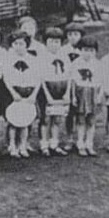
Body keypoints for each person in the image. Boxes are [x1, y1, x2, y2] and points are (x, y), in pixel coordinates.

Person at [2, 32, 40, 158]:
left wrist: (33, 95)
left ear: (27, 45)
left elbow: (38, 79)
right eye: (16, 44)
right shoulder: (8, 59)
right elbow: (6, 78)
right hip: (14, 92)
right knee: (13, 121)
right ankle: (12, 145)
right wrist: (13, 93)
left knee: (25, 121)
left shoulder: (33, 59)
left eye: (22, 44)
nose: (19, 46)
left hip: (28, 92)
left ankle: (23, 145)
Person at [38, 28, 71, 156]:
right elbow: (40, 78)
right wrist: (47, 95)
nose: (54, 45)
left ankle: (54, 143)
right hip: (47, 89)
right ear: (46, 42)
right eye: (51, 42)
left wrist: (67, 92)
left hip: (61, 88)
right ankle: (44, 144)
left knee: (57, 119)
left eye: (57, 42)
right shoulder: (42, 57)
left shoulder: (64, 57)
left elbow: (69, 76)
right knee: (46, 119)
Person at [70, 37, 102, 156]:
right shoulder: (76, 63)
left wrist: (99, 95)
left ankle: (89, 144)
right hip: (80, 92)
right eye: (85, 50)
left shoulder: (98, 64)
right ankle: (80, 143)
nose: (88, 53)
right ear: (80, 50)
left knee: (91, 120)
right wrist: (73, 96)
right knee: (81, 119)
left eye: (91, 50)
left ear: (95, 51)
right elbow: (73, 81)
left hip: (93, 92)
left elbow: (102, 82)